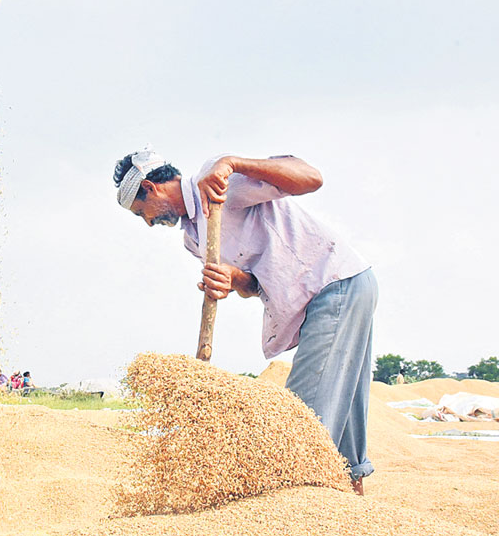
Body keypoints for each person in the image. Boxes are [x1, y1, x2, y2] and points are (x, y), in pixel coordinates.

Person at [113, 149, 377, 494]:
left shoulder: (216, 182)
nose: (148, 223)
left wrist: (231, 163)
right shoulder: (194, 239)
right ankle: (352, 501)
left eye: (141, 213)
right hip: (327, 296)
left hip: (332, 282)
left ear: (150, 187)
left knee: (299, 418)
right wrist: (232, 279)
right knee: (341, 406)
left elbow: (310, 177)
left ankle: (300, 505)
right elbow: (254, 284)